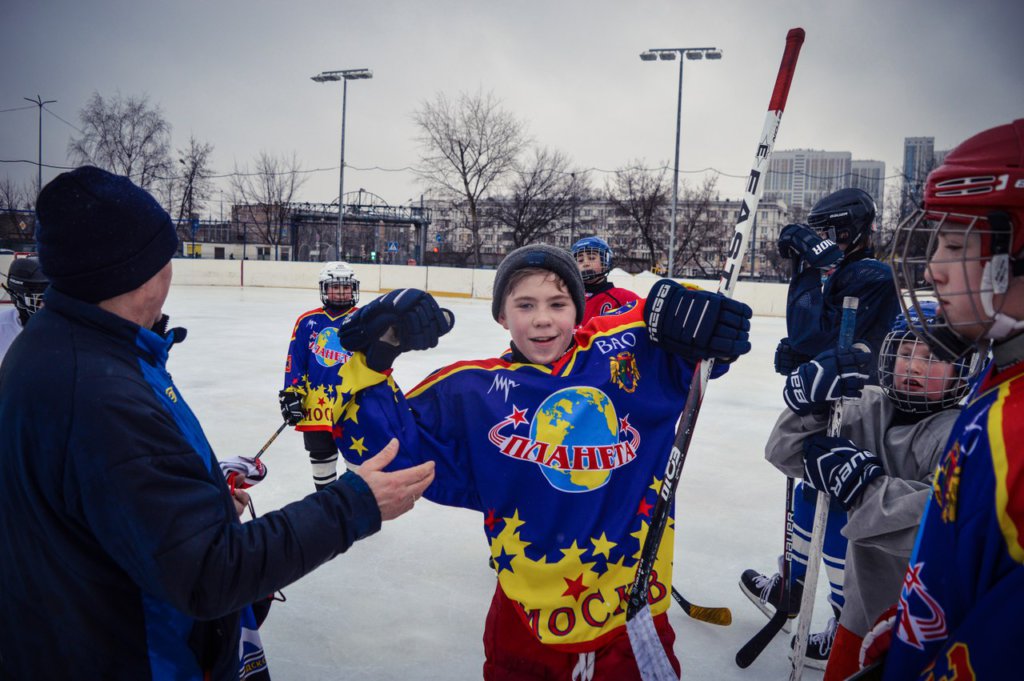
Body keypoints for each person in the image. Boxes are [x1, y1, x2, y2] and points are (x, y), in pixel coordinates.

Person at [0, 166, 435, 680]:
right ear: (140, 270)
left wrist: (201, 495)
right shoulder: (98, 391)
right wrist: (353, 504)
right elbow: (209, 573)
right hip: (134, 655)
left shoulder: (71, 349)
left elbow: (110, 498)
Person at [329, 244, 753, 679]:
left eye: (558, 303)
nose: (542, 318)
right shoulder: (472, 390)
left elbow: (688, 340)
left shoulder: (619, 355)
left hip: (632, 615)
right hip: (525, 621)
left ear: (578, 309)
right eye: (525, 305)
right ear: (501, 316)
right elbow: (389, 450)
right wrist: (372, 360)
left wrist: (692, 310)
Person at [868, 120, 1024, 679]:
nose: (932, 267)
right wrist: (919, 623)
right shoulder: (999, 381)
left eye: (956, 244)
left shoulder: (1018, 430)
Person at [760, 303, 979, 678]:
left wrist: (865, 486)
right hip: (859, 616)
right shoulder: (863, 404)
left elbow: (938, 524)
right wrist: (809, 407)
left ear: (963, 373)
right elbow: (783, 452)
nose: (913, 366)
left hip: (932, 622)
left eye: (934, 358)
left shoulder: (965, 433)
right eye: (905, 353)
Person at [742, 187, 902, 666]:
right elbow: (811, 336)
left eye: (829, 230)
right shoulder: (840, 272)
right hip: (825, 400)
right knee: (808, 496)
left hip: (859, 406)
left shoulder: (870, 273)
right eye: (818, 231)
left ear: (854, 229)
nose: (822, 239)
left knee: (838, 512)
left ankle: (841, 620)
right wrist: (802, 355)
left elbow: (817, 333)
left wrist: (810, 270)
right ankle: (791, 586)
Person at [280, 261, 360, 490]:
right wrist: (291, 394)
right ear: (325, 289)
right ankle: (327, 510)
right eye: (336, 286)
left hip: (352, 405)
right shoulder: (307, 322)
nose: (342, 292)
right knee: (321, 459)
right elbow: (295, 361)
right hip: (316, 405)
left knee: (357, 462)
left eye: (346, 287)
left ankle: (353, 509)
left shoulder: (363, 319)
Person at [571, 236, 640, 322]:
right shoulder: (569, 297)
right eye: (580, 260)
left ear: (604, 263)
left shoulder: (624, 298)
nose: (586, 263)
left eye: (592, 258)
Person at [0, 255, 48, 361]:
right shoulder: (3, 329)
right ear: (18, 297)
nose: (49, 304)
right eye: (41, 298)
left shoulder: (70, 329)